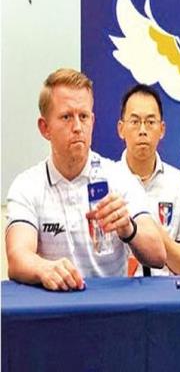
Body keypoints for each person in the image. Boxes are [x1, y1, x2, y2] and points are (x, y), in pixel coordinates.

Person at [5, 68, 166, 291]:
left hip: (110, 308)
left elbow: (158, 255)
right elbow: (17, 257)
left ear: (92, 120)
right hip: (53, 306)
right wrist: (44, 268)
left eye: (83, 117)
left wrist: (129, 228)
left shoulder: (119, 177)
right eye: (66, 117)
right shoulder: (27, 185)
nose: (78, 127)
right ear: (45, 128)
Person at [117, 84, 180, 275]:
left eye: (150, 122)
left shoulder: (178, 183)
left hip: (165, 291)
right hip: (118, 290)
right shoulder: (107, 182)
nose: (142, 130)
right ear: (121, 129)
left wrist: (152, 230)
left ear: (162, 130)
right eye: (135, 121)